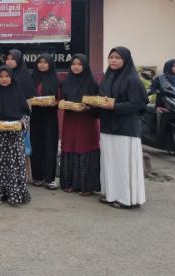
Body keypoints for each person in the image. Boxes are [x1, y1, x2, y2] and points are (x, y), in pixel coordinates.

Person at [97, 47, 148, 209]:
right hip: (108, 126)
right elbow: (102, 99)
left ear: (125, 60)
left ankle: (128, 199)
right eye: (111, 57)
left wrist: (114, 106)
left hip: (126, 128)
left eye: (117, 57)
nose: (113, 60)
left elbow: (138, 104)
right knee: (110, 162)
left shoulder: (132, 79)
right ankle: (112, 194)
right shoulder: (107, 77)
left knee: (124, 164)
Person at [0, 65, 32, 206]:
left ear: (11, 77)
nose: (4, 79)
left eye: (7, 76)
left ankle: (14, 194)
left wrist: (22, 123)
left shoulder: (18, 92)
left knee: (14, 165)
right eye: (1, 76)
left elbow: (26, 113)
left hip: (14, 137)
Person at [59, 54, 101, 195]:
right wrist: (62, 103)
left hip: (86, 122)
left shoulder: (92, 84)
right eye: (73, 64)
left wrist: (88, 107)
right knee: (69, 147)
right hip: (70, 121)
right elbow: (61, 98)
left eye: (79, 64)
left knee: (85, 148)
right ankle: (69, 183)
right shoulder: (66, 82)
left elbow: (98, 105)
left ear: (85, 66)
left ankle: (86, 186)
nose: (76, 67)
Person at [30, 54, 60, 190]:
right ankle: (37, 177)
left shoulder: (56, 79)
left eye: (45, 62)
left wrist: (56, 102)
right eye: (39, 62)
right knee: (36, 145)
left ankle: (50, 179)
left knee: (50, 145)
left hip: (50, 116)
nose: (42, 65)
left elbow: (61, 98)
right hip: (35, 115)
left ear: (50, 64)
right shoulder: (32, 78)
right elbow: (26, 95)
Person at [6, 49, 36, 180]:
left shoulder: (24, 76)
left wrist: (24, 116)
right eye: (8, 59)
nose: (9, 61)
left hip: (21, 116)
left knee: (20, 146)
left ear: (18, 61)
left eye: (13, 59)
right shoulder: (5, 75)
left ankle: (21, 175)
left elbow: (29, 98)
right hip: (6, 115)